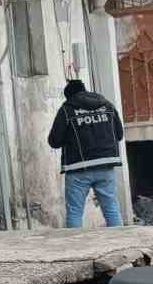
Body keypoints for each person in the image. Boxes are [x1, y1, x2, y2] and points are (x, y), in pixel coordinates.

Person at [48, 78, 125, 228]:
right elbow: (120, 134)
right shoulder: (107, 105)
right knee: (111, 208)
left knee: (75, 212)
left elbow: (54, 141)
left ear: (69, 96)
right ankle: (121, 243)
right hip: (106, 166)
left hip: (78, 168)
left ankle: (76, 248)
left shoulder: (67, 108)